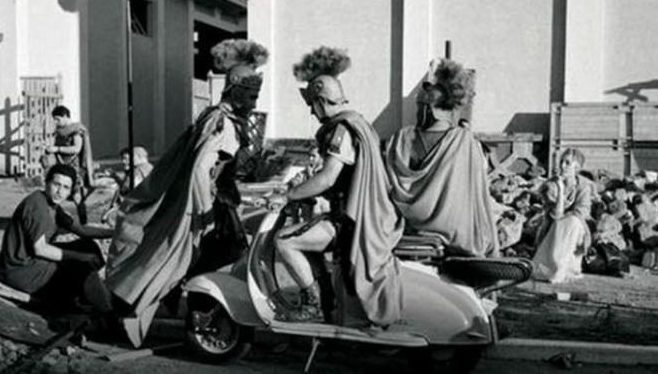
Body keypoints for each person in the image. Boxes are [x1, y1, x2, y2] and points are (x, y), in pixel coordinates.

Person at [105, 39, 268, 347]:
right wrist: (204, 215)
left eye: (256, 94)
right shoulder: (224, 123)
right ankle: (199, 323)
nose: (255, 101)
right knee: (210, 261)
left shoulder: (214, 116)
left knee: (195, 262)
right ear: (234, 89)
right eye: (251, 94)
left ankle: (189, 315)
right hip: (212, 209)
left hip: (216, 204)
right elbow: (199, 170)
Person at [274, 46, 404, 327]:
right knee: (304, 240)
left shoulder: (341, 128)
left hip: (349, 221)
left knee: (284, 240)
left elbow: (327, 178)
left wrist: (289, 194)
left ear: (321, 100)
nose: (311, 110)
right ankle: (327, 301)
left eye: (312, 103)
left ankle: (314, 306)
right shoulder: (359, 123)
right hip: (360, 217)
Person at [384, 58, 499, 257]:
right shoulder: (465, 141)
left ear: (429, 109)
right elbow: (477, 193)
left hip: (408, 225)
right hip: (456, 231)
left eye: (419, 106)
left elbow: (389, 183)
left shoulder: (402, 138)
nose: (417, 111)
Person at [0, 164, 115, 320]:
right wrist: (80, 257)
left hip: (33, 260)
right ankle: (109, 315)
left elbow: (81, 230)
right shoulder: (38, 206)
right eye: (56, 185)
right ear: (46, 183)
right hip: (21, 270)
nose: (60, 191)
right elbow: (41, 249)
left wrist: (114, 233)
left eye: (66, 187)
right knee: (80, 269)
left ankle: (92, 291)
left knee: (87, 246)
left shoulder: (53, 206)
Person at [532, 148, 592, 283]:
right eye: (561, 162)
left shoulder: (584, 186)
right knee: (568, 222)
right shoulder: (550, 185)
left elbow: (582, 212)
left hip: (575, 228)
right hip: (552, 228)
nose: (562, 166)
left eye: (567, 163)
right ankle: (554, 269)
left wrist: (569, 216)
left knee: (574, 222)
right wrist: (560, 189)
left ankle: (566, 268)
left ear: (577, 167)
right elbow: (556, 215)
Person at [42, 105, 94, 224]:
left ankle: (83, 223)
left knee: (77, 197)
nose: (56, 122)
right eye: (54, 119)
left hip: (74, 168)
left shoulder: (75, 130)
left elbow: (76, 148)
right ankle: (52, 220)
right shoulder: (60, 132)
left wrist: (57, 149)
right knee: (54, 192)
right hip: (61, 166)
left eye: (58, 119)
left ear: (65, 117)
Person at [101, 146, 154, 227]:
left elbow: (129, 187)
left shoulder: (138, 170)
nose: (129, 160)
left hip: (137, 206)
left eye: (132, 157)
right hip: (146, 204)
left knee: (110, 217)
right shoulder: (150, 167)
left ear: (139, 156)